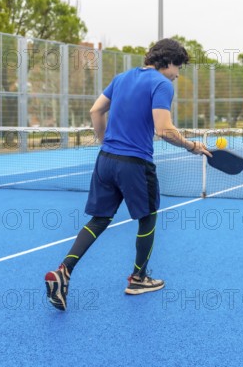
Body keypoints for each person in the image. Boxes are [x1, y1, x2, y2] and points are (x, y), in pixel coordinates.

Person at [44, 38, 211, 311]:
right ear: (167, 62)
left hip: (106, 161)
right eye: (178, 68)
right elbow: (164, 129)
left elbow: (96, 110)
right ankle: (138, 278)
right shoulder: (161, 84)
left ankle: (64, 270)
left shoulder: (121, 78)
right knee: (147, 218)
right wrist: (192, 146)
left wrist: (104, 141)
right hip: (135, 165)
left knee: (99, 220)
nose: (178, 75)